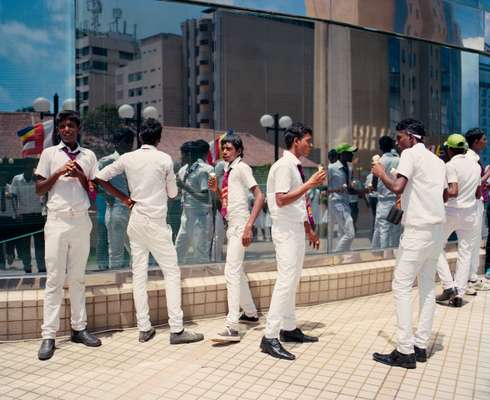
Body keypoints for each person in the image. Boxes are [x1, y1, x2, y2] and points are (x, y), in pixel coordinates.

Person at [95, 118, 204, 345]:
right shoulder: (164, 159)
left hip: (135, 221)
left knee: (139, 274)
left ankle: (144, 328)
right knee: (171, 273)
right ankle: (176, 329)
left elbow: (99, 177)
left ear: (140, 137)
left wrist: (124, 198)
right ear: (159, 138)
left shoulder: (127, 158)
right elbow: (173, 194)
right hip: (156, 223)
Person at [371, 118, 446, 369]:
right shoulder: (437, 160)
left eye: (400, 137)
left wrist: (380, 171)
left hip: (417, 231)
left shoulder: (411, 154)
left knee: (401, 286)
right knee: (426, 287)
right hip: (436, 231)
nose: (397, 141)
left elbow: (397, 186)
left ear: (413, 138)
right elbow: (444, 194)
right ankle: (421, 345)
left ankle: (405, 350)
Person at [35, 110, 101, 361]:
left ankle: (79, 328)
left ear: (78, 128)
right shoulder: (49, 154)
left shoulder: (89, 156)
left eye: (70, 125)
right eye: (62, 126)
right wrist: (58, 172)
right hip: (57, 221)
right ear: (59, 130)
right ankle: (48, 335)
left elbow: (94, 191)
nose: (66, 130)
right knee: (54, 279)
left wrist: (80, 175)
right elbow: (39, 189)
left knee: (77, 278)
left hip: (81, 222)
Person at [260, 123, 326, 360]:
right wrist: (310, 184)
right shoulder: (283, 166)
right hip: (285, 231)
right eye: (308, 140)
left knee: (293, 279)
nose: (311, 145)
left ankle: (288, 328)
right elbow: (280, 200)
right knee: (286, 281)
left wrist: (308, 229)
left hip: (295, 229)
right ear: (295, 140)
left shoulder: (294, 166)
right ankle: (269, 336)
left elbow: (298, 203)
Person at [208, 134, 264, 342]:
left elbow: (260, 196)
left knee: (230, 271)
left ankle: (232, 327)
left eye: (229, 148)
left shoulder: (242, 168)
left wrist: (249, 226)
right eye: (223, 148)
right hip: (232, 225)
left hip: (240, 225)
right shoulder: (228, 171)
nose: (225, 152)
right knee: (237, 271)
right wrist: (216, 191)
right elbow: (228, 201)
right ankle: (250, 313)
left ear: (239, 151)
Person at [435, 134, 481, 307]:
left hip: (451, 212)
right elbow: (477, 194)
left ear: (450, 149)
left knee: (436, 246)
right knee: (465, 253)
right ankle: (459, 294)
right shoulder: (475, 166)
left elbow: (452, 191)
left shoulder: (450, 165)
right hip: (470, 213)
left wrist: (436, 196)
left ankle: (448, 287)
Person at [97, 127, 135, 269]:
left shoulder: (133, 161)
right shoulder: (107, 161)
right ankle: (117, 281)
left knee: (136, 249)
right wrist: (106, 194)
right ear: (116, 143)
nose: (130, 145)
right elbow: (93, 182)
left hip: (134, 209)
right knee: (116, 249)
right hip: (116, 209)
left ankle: (135, 280)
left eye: (131, 142)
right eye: (126, 142)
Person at [175, 140, 213, 263]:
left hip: (200, 216)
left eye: (183, 155)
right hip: (185, 216)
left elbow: (206, 198)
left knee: (200, 253)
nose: (181, 157)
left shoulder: (204, 170)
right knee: (178, 251)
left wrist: (184, 187)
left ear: (190, 155)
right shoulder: (183, 170)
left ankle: (205, 279)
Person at [464, 128, 489, 293]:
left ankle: (472, 277)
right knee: (469, 243)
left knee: (473, 242)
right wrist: (487, 176)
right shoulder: (469, 159)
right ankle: (466, 279)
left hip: (477, 203)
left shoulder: (475, 158)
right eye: (483, 139)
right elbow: (472, 182)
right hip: (471, 205)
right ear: (475, 142)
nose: (485, 141)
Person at [10, 161, 45, 273]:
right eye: (28, 168)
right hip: (24, 216)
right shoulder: (17, 179)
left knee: (40, 243)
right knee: (25, 243)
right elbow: (13, 198)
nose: (31, 170)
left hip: (37, 215)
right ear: (24, 168)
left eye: (32, 168)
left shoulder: (38, 180)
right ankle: (27, 267)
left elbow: (44, 196)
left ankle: (41, 266)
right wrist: (16, 213)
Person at [372, 136, 401, 250]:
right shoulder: (399, 160)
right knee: (395, 231)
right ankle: (394, 256)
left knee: (383, 230)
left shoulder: (378, 162)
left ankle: (384, 257)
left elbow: (374, 184)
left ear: (380, 147)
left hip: (383, 202)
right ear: (392, 146)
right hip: (396, 201)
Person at [327, 143, 357, 253]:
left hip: (346, 202)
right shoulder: (331, 168)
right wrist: (336, 190)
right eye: (349, 153)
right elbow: (323, 188)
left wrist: (364, 191)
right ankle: (336, 255)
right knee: (350, 234)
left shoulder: (348, 169)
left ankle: (344, 256)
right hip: (337, 203)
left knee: (343, 233)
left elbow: (348, 189)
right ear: (342, 154)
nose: (352, 155)